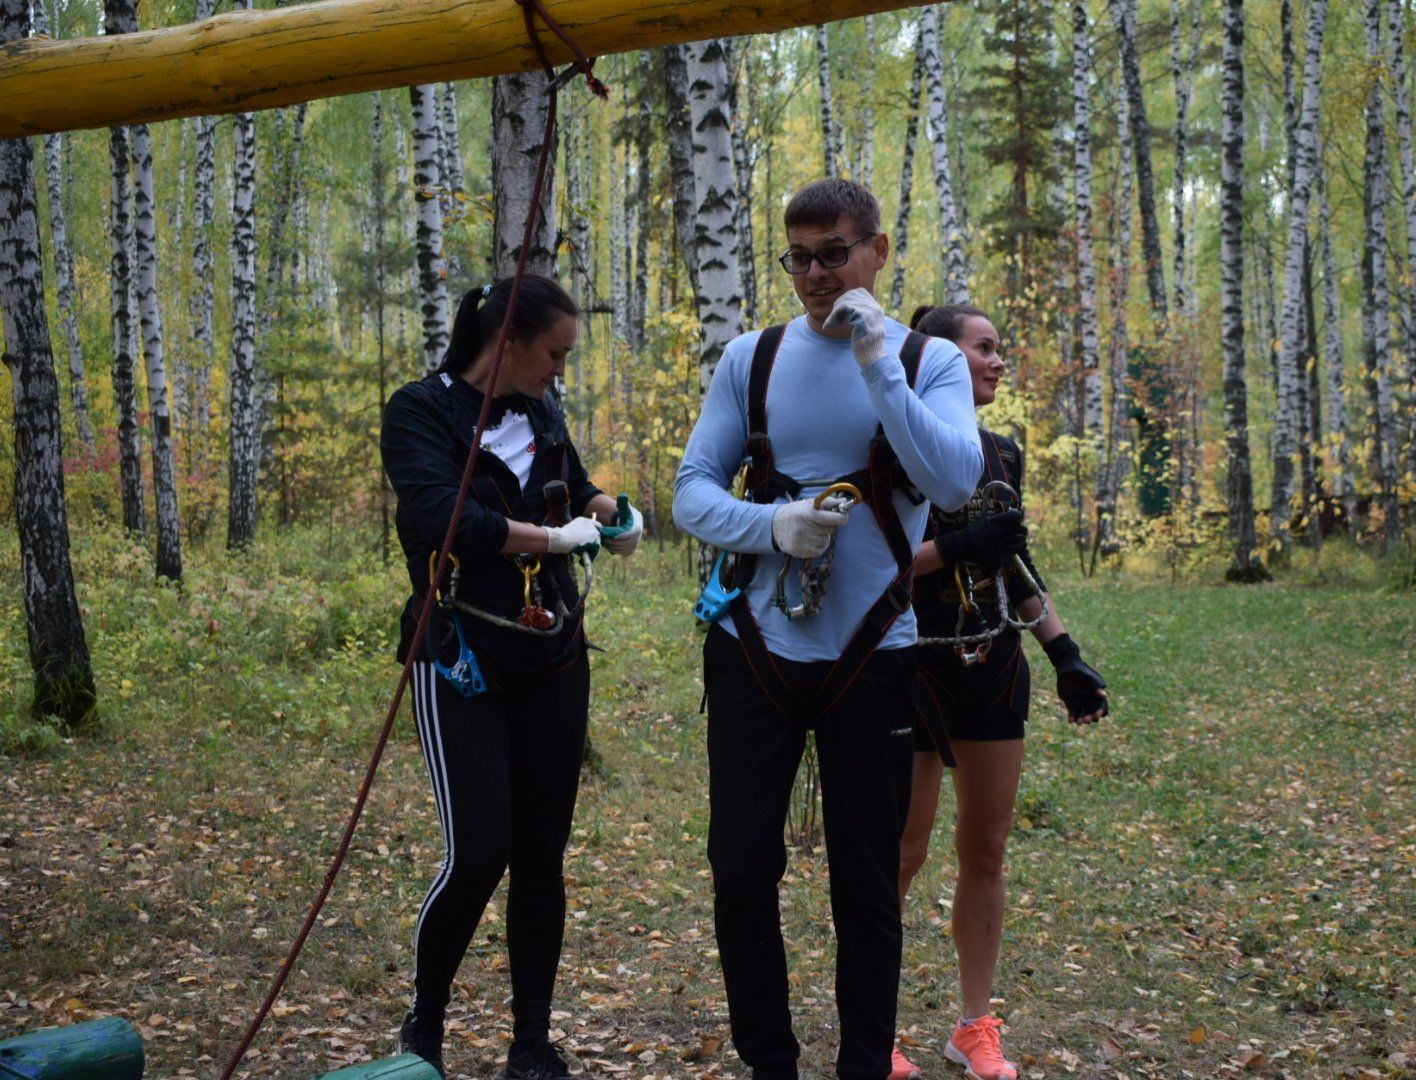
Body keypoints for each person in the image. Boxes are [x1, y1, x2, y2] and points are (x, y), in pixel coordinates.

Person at [673, 179, 982, 1080]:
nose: (814, 274)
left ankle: (860, 1067)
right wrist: (771, 526)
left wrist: (878, 358)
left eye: (834, 253)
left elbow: (955, 485)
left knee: (867, 887)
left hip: (872, 658)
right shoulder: (752, 359)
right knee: (739, 871)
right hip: (754, 652)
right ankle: (770, 1063)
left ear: (877, 253)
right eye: (798, 256)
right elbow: (693, 489)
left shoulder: (931, 363)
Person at [380, 274, 644, 1080]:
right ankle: (424, 1023)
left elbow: (575, 480)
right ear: (509, 341)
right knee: (480, 850)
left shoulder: (539, 411)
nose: (561, 369)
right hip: (461, 652)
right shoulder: (419, 410)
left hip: (553, 655)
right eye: (555, 353)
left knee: (540, 853)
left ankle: (531, 1039)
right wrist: (551, 540)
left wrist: (609, 513)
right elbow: (440, 517)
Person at [891, 304, 1108, 1080]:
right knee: (901, 853)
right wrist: (952, 546)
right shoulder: (893, 441)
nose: (997, 361)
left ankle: (973, 1026)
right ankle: (872, 1028)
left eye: (998, 349)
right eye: (982, 349)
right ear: (937, 359)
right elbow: (868, 565)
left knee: (985, 850)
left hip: (993, 668)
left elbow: (1013, 564)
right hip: (908, 668)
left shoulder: (1001, 451)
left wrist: (1065, 654)